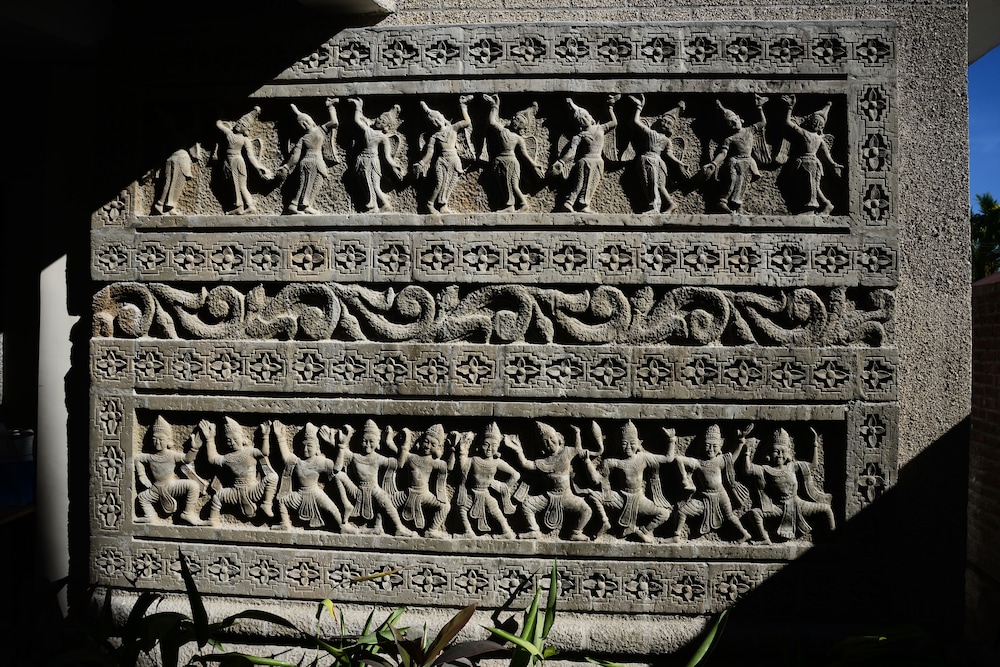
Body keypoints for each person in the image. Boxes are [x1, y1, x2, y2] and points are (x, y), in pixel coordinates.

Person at [504, 421, 604, 541]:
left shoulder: (567, 452)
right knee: (526, 505)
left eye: (552, 438)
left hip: (567, 495)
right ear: (541, 446)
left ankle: (576, 532)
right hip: (548, 496)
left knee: (586, 510)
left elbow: (578, 449)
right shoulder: (542, 462)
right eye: (545, 442)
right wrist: (518, 450)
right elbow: (525, 464)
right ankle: (534, 530)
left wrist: (577, 433)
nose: (550, 443)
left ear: (558, 437)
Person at [744, 427, 835, 543]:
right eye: (776, 451)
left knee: (827, 509)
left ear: (788, 452)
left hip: (798, 504)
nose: (780, 455)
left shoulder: (792, 467)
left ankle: (834, 538)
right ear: (769, 452)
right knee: (754, 513)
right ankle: (764, 538)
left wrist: (815, 444)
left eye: (783, 451)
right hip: (779, 507)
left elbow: (813, 465)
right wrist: (747, 452)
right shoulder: (766, 469)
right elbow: (748, 470)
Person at [326, 419, 415, 536]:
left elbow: (399, 465)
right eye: (364, 441)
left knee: (386, 502)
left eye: (371, 441)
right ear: (360, 441)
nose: (367, 444)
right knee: (338, 475)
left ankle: (397, 527)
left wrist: (401, 447)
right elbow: (337, 468)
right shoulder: (354, 457)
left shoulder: (378, 458)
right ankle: (346, 504)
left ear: (377, 442)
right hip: (357, 491)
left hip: (374, 489)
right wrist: (342, 445)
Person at [664, 424, 751, 542]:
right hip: (704, 497)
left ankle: (745, 534)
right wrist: (684, 478)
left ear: (720, 446)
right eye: (707, 445)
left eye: (714, 446)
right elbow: (679, 459)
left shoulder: (720, 461)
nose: (711, 449)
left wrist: (741, 441)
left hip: (720, 495)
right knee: (682, 512)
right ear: (702, 446)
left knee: (729, 515)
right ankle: (676, 536)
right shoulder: (698, 463)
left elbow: (732, 458)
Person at [590, 421, 671, 543]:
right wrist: (587, 462)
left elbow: (668, 459)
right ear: (618, 444)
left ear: (638, 443)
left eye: (632, 443)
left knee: (664, 514)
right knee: (593, 496)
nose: (628, 447)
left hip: (639, 499)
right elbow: (596, 480)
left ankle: (642, 531)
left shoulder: (643, 458)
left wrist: (671, 440)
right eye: (624, 443)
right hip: (621, 498)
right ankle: (605, 522)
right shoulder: (613, 462)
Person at [271, 420, 351, 532]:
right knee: (281, 501)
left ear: (317, 448)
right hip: (300, 494)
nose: (305, 449)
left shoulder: (320, 461)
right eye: (303, 445)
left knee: (332, 509)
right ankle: (285, 524)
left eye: (309, 446)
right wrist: (280, 437)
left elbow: (336, 469)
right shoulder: (297, 461)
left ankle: (342, 527)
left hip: (315, 493)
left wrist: (341, 447)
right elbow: (286, 457)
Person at [198, 417, 278, 526]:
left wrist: (265, 435)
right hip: (234, 493)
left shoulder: (250, 452)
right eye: (228, 440)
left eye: (235, 439)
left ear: (242, 438)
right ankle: (212, 520)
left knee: (272, 477)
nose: (232, 442)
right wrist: (209, 439)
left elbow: (264, 453)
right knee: (218, 496)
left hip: (252, 490)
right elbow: (212, 459)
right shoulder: (227, 458)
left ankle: (267, 504)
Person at [701, 95, 770, 213]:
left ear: (739, 118)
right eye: (730, 123)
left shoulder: (750, 130)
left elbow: (763, 122)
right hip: (735, 162)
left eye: (734, 120)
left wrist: (759, 107)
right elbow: (723, 153)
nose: (734, 124)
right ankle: (722, 201)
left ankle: (737, 207)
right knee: (731, 182)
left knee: (742, 185)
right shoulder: (729, 139)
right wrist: (714, 163)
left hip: (747, 162)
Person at [134, 415, 206, 525]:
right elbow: (137, 459)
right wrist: (142, 475)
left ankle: (187, 513)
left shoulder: (171, 455)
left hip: (171, 486)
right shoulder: (149, 457)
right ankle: (149, 517)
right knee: (142, 498)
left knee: (193, 486)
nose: (157, 442)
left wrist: (194, 448)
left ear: (168, 441)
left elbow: (187, 459)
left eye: (161, 439)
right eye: (154, 439)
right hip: (156, 488)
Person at [778, 95, 843, 214]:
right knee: (809, 185)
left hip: (812, 164)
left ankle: (812, 207)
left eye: (819, 124)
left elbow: (826, 154)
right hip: (802, 162)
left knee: (812, 185)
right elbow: (788, 122)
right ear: (810, 121)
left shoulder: (818, 139)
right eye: (815, 122)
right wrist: (790, 107)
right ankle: (826, 204)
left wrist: (833, 164)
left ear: (822, 127)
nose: (816, 125)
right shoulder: (805, 133)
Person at [553, 95, 619, 213]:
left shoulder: (600, 128)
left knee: (591, 184)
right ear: (579, 123)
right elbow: (571, 152)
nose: (584, 119)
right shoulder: (579, 136)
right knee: (580, 183)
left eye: (585, 116)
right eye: (581, 119)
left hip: (598, 161)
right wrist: (561, 162)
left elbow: (614, 122)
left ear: (589, 116)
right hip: (586, 161)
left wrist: (610, 106)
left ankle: (581, 204)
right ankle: (570, 203)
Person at [455, 422, 520, 538]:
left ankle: (507, 532)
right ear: (480, 444)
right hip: (472, 492)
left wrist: (503, 486)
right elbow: (463, 469)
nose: (489, 448)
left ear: (498, 447)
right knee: (461, 508)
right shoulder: (474, 460)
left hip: (485, 493)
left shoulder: (497, 462)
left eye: (493, 445)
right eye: (486, 444)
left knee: (495, 511)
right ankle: (468, 532)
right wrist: (463, 451)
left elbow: (515, 475)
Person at [276, 99, 339, 214]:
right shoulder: (310, 135)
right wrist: (287, 166)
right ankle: (297, 205)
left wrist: (331, 107)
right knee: (307, 183)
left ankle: (303, 204)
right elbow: (295, 156)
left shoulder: (316, 132)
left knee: (313, 182)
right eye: (302, 124)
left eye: (305, 121)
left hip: (313, 161)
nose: (305, 124)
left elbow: (334, 122)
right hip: (311, 162)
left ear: (310, 120)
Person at [482, 94, 543, 212]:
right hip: (500, 161)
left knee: (513, 184)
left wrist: (534, 166)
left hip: (512, 163)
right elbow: (492, 122)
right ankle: (509, 206)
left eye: (520, 122)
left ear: (522, 127)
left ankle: (523, 204)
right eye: (516, 119)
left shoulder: (518, 139)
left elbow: (524, 155)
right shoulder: (503, 131)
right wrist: (494, 106)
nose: (516, 122)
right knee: (504, 185)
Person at [412, 96, 473, 214]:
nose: (436, 121)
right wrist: (421, 163)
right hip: (442, 161)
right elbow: (430, 153)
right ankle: (430, 204)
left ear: (442, 117)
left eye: (437, 118)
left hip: (454, 160)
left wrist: (463, 106)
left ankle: (443, 205)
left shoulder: (453, 128)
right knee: (439, 183)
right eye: (433, 121)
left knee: (450, 183)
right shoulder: (434, 137)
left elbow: (467, 122)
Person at [628, 95, 687, 214]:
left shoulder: (662, 138)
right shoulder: (652, 134)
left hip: (652, 161)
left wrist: (679, 163)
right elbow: (636, 122)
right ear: (660, 121)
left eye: (669, 123)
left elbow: (669, 155)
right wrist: (639, 108)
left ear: (671, 128)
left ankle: (654, 207)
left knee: (652, 184)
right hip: (652, 161)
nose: (665, 124)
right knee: (656, 185)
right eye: (664, 121)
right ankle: (670, 204)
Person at [347, 98, 405, 212]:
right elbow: (357, 120)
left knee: (374, 184)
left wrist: (395, 166)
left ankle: (383, 204)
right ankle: (375, 204)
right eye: (380, 118)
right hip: (362, 160)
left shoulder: (383, 138)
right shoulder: (368, 130)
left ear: (386, 126)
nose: (380, 121)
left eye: (383, 122)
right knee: (366, 184)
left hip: (373, 162)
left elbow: (387, 156)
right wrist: (358, 107)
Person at [215, 107, 273, 214]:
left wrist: (260, 167)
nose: (239, 124)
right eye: (239, 122)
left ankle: (248, 206)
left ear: (246, 130)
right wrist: (220, 112)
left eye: (243, 125)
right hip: (228, 163)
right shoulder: (229, 133)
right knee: (232, 185)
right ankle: (240, 206)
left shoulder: (245, 140)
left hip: (237, 163)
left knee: (241, 185)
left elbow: (251, 157)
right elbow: (218, 124)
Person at [395, 424, 450, 537]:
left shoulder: (435, 463)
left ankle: (431, 530)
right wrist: (405, 443)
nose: (428, 446)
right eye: (426, 442)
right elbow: (399, 465)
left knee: (445, 506)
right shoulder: (411, 457)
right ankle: (394, 527)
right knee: (385, 501)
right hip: (407, 493)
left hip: (424, 495)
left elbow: (449, 467)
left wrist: (453, 451)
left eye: (433, 444)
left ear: (438, 447)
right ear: (420, 441)